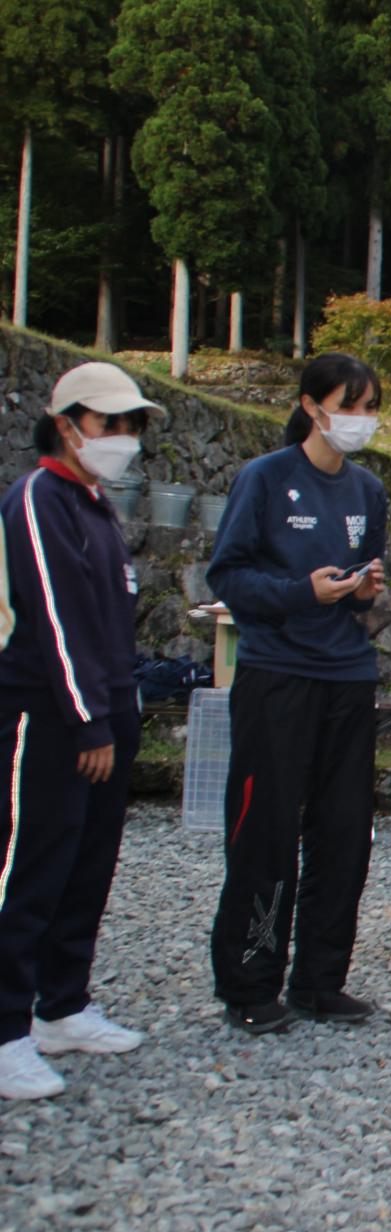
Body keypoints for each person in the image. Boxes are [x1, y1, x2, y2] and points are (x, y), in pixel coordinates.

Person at [207, 353, 389, 1035]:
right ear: (312, 406)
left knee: (344, 833)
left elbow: (366, 578)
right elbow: (228, 574)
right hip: (277, 673)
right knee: (267, 830)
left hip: (346, 674)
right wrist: (298, 593)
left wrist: (362, 592)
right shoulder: (267, 477)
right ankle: (251, 982)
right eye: (351, 404)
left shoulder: (368, 489)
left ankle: (321, 978)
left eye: (371, 407)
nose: (361, 420)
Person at [0, 363, 160, 1100]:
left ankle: (62, 1001)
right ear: (66, 424)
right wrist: (87, 716)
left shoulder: (96, 506)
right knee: (33, 862)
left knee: (88, 863)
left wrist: (117, 709)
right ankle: (6, 1028)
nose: (121, 438)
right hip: (51, 714)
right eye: (108, 423)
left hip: (107, 711)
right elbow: (55, 618)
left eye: (131, 425)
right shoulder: (40, 499)